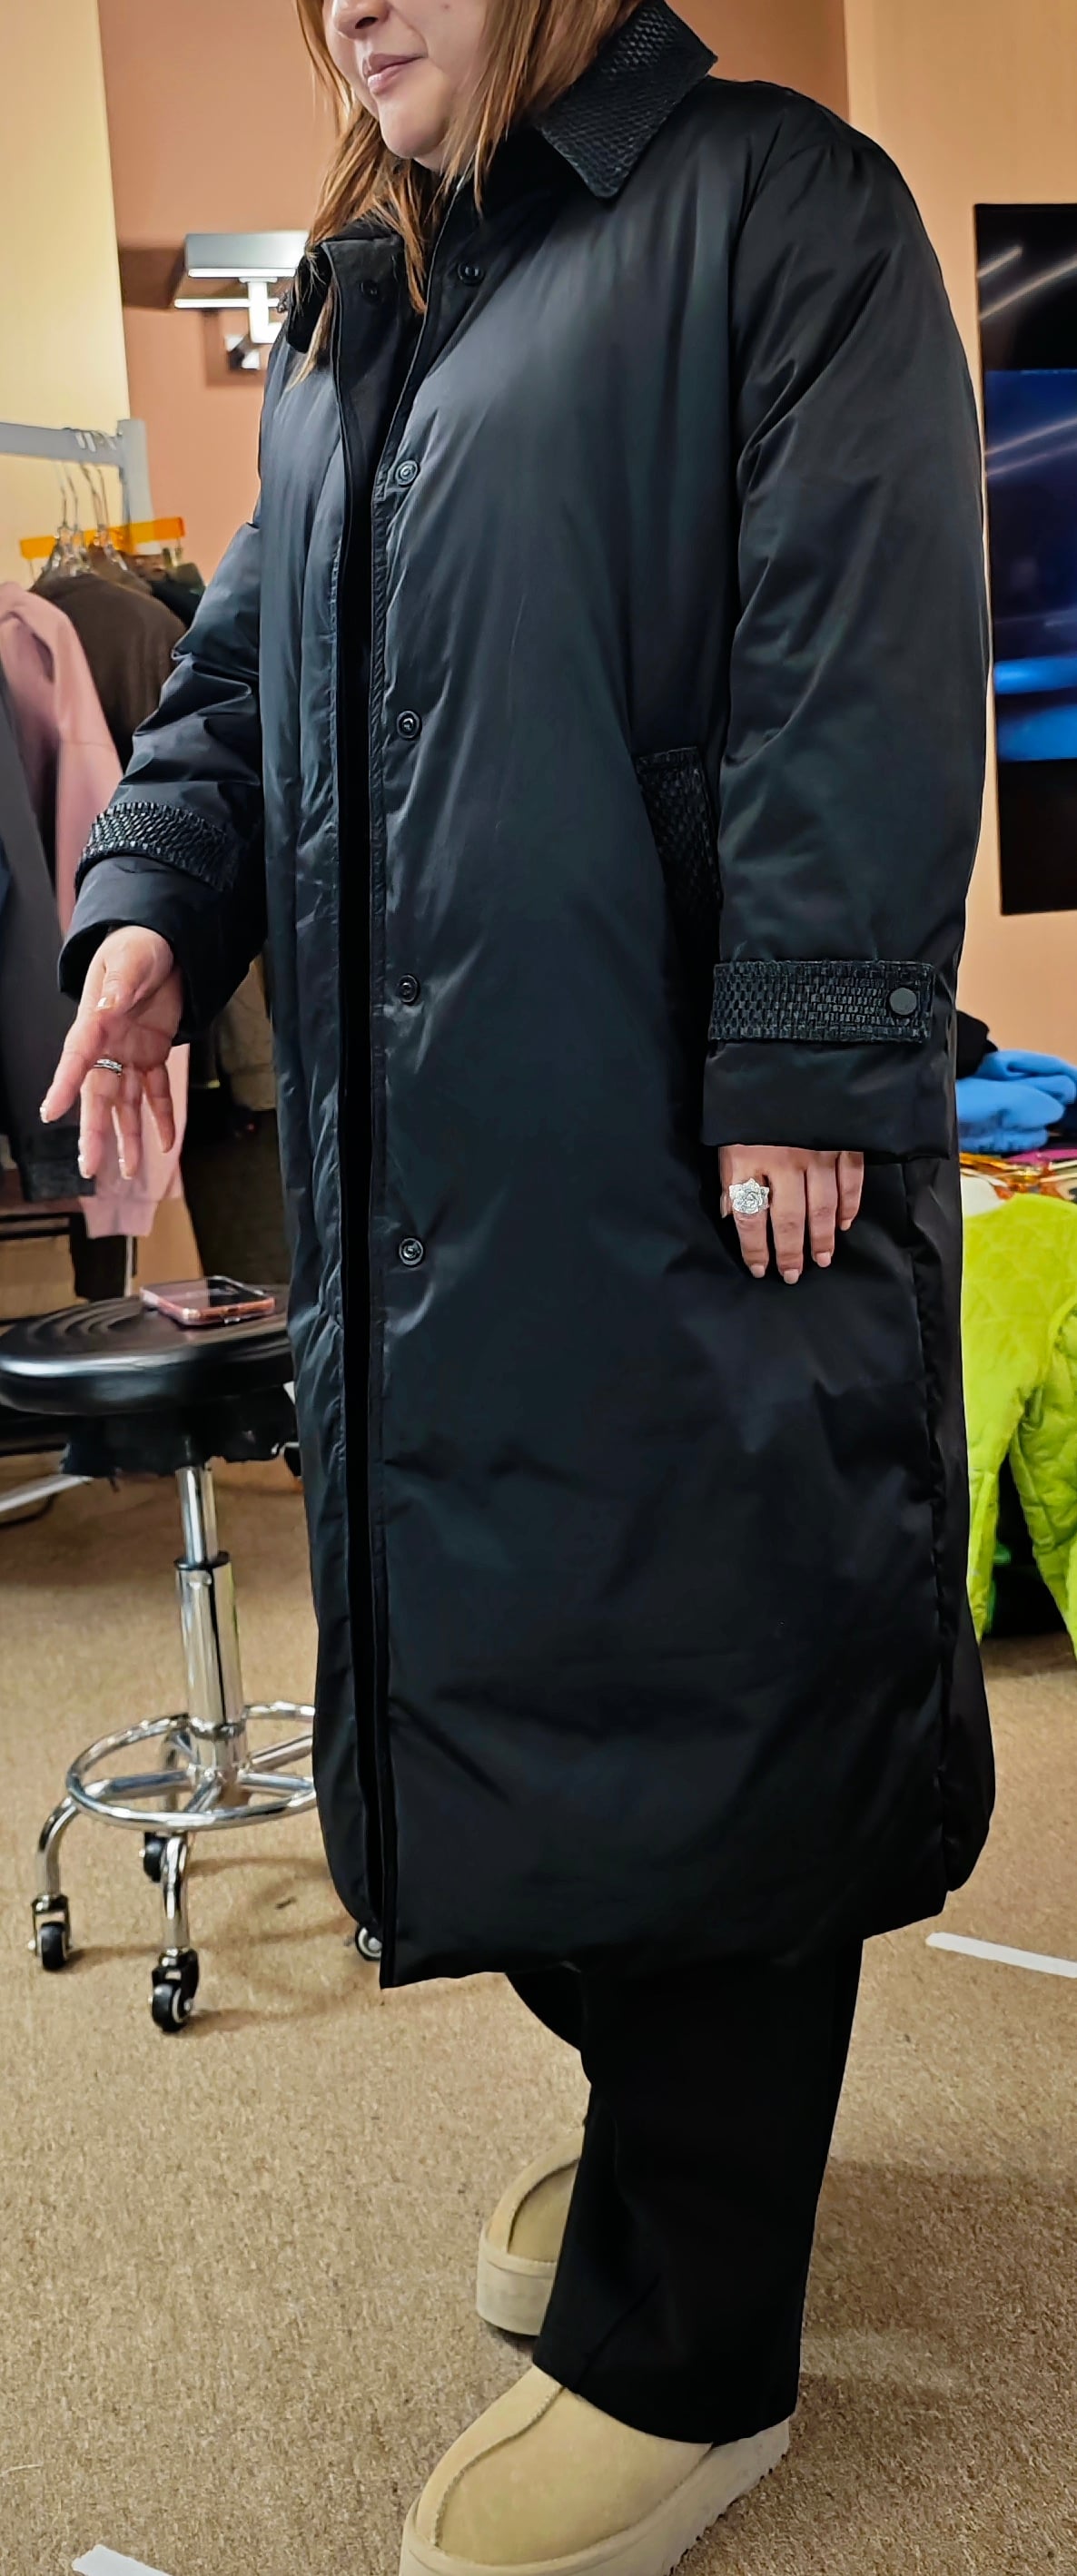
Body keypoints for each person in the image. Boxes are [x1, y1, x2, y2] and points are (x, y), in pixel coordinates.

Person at [42, 4, 994, 2568]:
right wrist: (149, 910)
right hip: (432, 1181)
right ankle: (671, 2145)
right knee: (536, 1698)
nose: (357, 1)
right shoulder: (365, 298)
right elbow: (237, 687)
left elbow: (860, 650)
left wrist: (805, 1043)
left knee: (710, 1692)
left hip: (692, 1160)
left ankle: (697, 2341)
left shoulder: (774, 211)